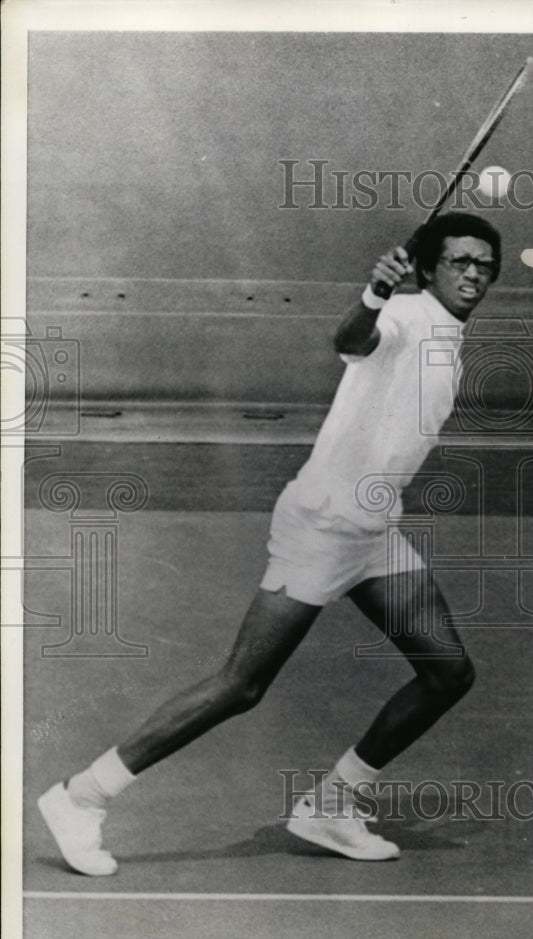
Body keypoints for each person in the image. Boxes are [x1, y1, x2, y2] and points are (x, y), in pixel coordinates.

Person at [38, 211, 502, 871]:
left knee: (447, 671)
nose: (473, 275)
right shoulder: (405, 317)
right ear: (429, 269)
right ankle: (82, 797)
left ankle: (333, 807)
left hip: (371, 530)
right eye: (459, 261)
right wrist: (374, 293)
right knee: (241, 685)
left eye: (484, 266)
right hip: (321, 526)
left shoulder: (449, 336)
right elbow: (353, 335)